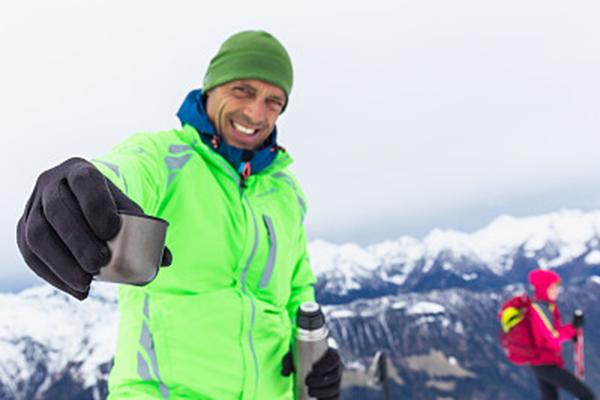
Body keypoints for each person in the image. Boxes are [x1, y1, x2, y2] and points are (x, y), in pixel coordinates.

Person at [16, 30, 343, 400]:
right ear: (210, 88)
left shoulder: (284, 191)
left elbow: (297, 288)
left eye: (274, 101)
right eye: (243, 90)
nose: (256, 113)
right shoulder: (166, 158)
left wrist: (316, 349)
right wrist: (78, 187)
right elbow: (128, 170)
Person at [528, 269, 595, 400]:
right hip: (545, 363)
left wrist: (571, 332)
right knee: (587, 396)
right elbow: (552, 335)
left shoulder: (548, 307)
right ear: (544, 289)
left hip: (543, 362)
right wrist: (573, 328)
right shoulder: (540, 309)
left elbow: (552, 333)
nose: (557, 291)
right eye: (553, 287)